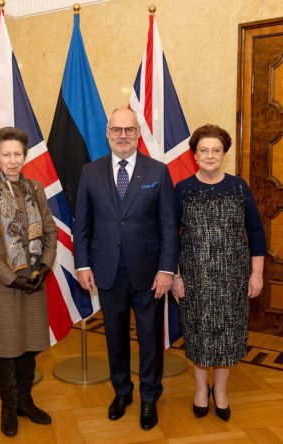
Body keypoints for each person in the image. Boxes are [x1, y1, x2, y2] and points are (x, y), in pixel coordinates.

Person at [73, 108, 178, 430]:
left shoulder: (157, 171)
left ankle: (149, 396)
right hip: (106, 271)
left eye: (129, 130)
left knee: (149, 338)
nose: (122, 136)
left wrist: (166, 270)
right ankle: (122, 391)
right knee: (115, 337)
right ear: (108, 133)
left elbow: (168, 226)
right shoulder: (90, 171)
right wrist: (82, 264)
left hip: (149, 273)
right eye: (117, 130)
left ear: (138, 133)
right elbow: (82, 223)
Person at [171, 124, 266, 421]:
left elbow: (256, 233)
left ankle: (221, 391)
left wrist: (256, 274)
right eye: (204, 150)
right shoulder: (183, 189)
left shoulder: (239, 187)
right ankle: (201, 389)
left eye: (216, 150)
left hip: (233, 279)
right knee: (198, 335)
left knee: (228, 337)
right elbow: (171, 237)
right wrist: (176, 276)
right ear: (195, 155)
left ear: (224, 154)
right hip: (194, 279)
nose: (210, 155)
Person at [0, 127, 57, 437]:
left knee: (30, 345)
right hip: (3, 285)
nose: (12, 160)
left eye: (17, 154)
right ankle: (8, 407)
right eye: (6, 154)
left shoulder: (36, 189)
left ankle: (25, 401)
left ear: (25, 156)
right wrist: (11, 279)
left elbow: (50, 232)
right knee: (6, 348)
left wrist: (44, 266)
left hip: (34, 281)